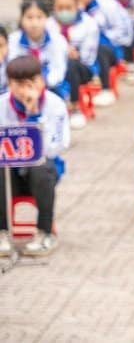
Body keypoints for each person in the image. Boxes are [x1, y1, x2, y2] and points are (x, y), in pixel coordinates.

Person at [0, 55, 69, 257]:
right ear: (9, 83)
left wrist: (33, 116)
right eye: (19, 84)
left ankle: (45, 231)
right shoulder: (2, 105)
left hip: (42, 174)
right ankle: (2, 231)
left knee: (40, 166)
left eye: (32, 82)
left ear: (41, 80)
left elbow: (57, 146)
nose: (25, 90)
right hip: (9, 175)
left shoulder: (55, 105)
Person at [72, 0, 133, 102]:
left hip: (108, 48)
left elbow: (122, 29)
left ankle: (106, 88)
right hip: (82, 51)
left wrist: (105, 37)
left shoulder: (107, 6)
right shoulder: (71, 10)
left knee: (99, 49)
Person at [50, 0, 100, 130]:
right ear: (54, 8)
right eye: (60, 8)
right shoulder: (48, 25)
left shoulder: (89, 23)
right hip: (56, 67)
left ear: (76, 6)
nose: (64, 11)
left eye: (68, 7)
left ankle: (75, 106)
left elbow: (88, 56)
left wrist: (73, 54)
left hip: (84, 68)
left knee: (72, 65)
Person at [8, 0, 70, 103]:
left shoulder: (57, 40)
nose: (34, 23)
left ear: (47, 19)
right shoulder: (13, 40)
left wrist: (40, 84)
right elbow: (12, 68)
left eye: (39, 17)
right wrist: (24, 86)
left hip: (51, 87)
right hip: (20, 85)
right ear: (21, 19)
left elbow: (58, 70)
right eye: (29, 17)